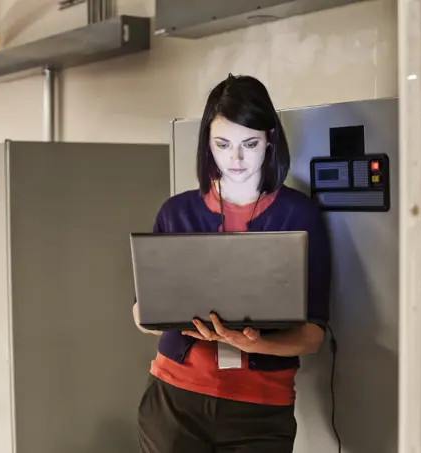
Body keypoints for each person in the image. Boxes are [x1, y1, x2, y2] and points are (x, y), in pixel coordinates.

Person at [133, 73, 331, 453]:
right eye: (222, 144)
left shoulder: (298, 215)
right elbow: (142, 316)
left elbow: (313, 335)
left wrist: (253, 345)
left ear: (270, 140)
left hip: (259, 409)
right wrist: (161, 314)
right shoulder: (176, 212)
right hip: (176, 400)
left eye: (249, 144)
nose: (235, 159)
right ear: (207, 144)